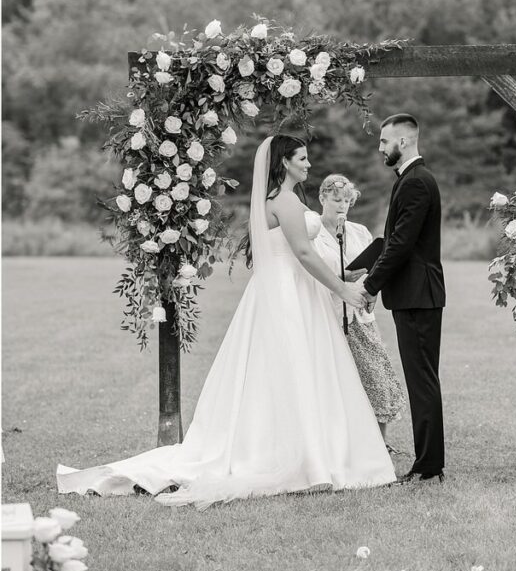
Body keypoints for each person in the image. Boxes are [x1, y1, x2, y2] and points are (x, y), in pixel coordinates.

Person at [57, 135, 396, 506]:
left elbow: (308, 251)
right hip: (288, 292)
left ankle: (315, 450)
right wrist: (343, 291)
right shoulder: (282, 201)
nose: (309, 164)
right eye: (302, 158)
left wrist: (344, 277)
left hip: (297, 290)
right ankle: (306, 459)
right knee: (294, 365)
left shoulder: (289, 200)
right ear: (284, 162)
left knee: (305, 368)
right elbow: (301, 253)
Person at [361, 114, 446, 484]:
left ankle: (429, 467)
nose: (380, 148)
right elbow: (392, 241)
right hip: (414, 294)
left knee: (422, 381)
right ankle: (429, 462)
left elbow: (402, 244)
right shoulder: (410, 180)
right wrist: (363, 266)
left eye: (384, 142)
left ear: (405, 142)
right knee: (421, 379)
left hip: (417, 295)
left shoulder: (415, 182)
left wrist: (369, 285)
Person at [313, 174, 406, 445]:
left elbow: (373, 268)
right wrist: (342, 278)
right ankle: (335, 440)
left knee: (376, 376)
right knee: (333, 381)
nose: (342, 206)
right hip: (327, 313)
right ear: (322, 198)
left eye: (347, 201)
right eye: (336, 199)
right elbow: (311, 271)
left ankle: (380, 442)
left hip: (360, 314)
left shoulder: (359, 231)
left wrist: (371, 287)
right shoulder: (312, 233)